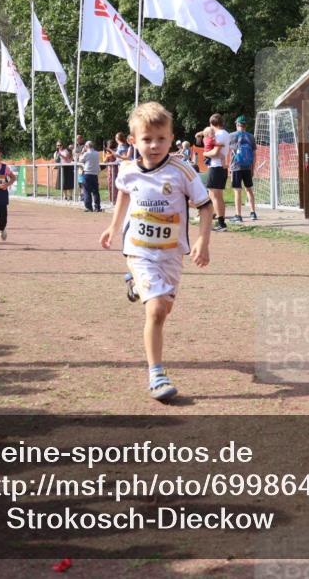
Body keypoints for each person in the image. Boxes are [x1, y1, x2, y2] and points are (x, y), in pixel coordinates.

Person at [100, 102, 213, 402]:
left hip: (172, 254)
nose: (154, 145)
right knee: (156, 309)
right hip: (137, 250)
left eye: (161, 138)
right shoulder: (127, 170)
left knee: (165, 309)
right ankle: (157, 375)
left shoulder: (181, 171)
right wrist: (113, 227)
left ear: (172, 138)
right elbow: (123, 194)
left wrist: (203, 241)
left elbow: (206, 206)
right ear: (133, 140)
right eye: (147, 139)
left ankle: (136, 285)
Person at [228, 115, 258, 223]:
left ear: (237, 124)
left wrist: (229, 168)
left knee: (237, 191)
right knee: (249, 189)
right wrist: (252, 168)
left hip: (236, 167)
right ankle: (253, 213)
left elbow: (227, 151)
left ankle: (238, 215)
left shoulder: (231, 136)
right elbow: (254, 155)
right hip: (247, 167)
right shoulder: (251, 137)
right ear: (245, 125)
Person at [204, 114, 230, 232]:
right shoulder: (225, 133)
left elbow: (215, 152)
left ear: (212, 124)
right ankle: (216, 218)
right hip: (220, 167)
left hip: (217, 167)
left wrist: (205, 154)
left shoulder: (219, 134)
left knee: (215, 196)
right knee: (214, 195)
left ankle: (221, 223)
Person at [79, 140, 102, 212]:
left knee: (87, 191)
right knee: (95, 191)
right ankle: (97, 207)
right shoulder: (97, 153)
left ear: (87, 146)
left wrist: (82, 153)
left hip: (87, 173)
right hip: (95, 174)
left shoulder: (86, 154)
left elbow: (80, 160)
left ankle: (89, 207)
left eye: (85, 146)